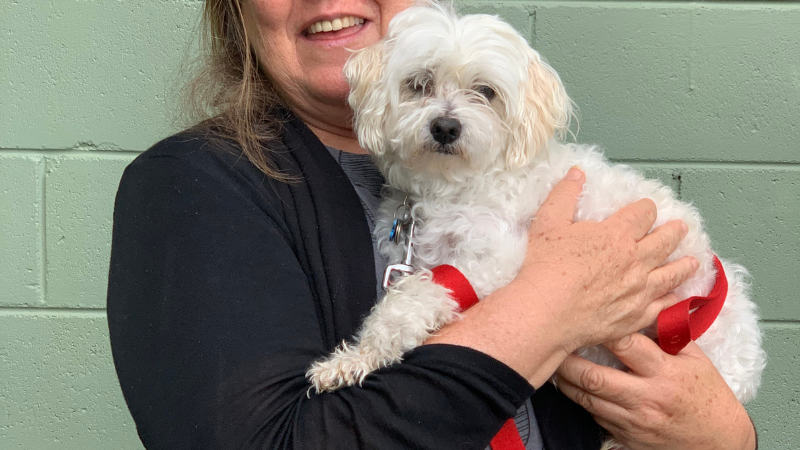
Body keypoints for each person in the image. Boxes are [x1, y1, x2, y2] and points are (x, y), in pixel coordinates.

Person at [106, 1, 757, 449]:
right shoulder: (196, 185)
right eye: (419, 86)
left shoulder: (531, 183)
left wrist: (724, 433)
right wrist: (551, 302)